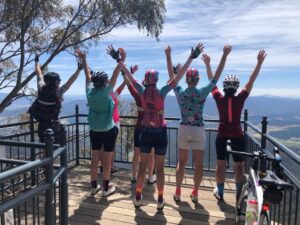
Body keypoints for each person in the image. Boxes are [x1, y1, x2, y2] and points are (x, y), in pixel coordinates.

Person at [107, 43, 202, 209]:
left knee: (142, 166)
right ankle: (159, 199)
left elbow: (128, 75)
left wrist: (118, 60)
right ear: (157, 80)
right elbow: (178, 76)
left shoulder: (141, 91)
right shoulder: (162, 91)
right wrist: (191, 58)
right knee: (159, 168)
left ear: (146, 80)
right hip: (160, 132)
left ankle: (138, 195)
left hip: (145, 131)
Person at [165, 44, 232, 203]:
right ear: (198, 80)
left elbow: (171, 77)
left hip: (183, 129)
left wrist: (168, 55)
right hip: (199, 130)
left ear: (187, 79)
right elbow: (216, 76)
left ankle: (178, 191)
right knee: (199, 164)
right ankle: (195, 192)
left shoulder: (180, 92)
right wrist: (224, 55)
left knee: (181, 163)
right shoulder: (203, 92)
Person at [212, 50, 267, 201]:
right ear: (236, 87)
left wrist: (208, 64)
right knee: (239, 166)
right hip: (237, 135)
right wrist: (259, 63)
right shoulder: (240, 98)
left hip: (222, 135)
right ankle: (238, 194)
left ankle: (220, 192)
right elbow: (251, 80)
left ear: (224, 86)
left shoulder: (218, 98)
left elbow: (212, 81)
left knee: (220, 165)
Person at [76, 49, 123, 197]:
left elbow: (87, 76)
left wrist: (84, 59)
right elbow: (116, 73)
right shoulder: (107, 92)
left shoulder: (89, 92)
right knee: (107, 161)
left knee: (94, 159)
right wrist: (119, 59)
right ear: (105, 82)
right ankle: (106, 189)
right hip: (108, 130)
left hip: (94, 129)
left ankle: (93, 187)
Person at [30, 53, 82, 145]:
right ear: (54, 83)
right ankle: (50, 159)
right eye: (58, 81)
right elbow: (70, 82)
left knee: (45, 148)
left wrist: (36, 61)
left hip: (42, 125)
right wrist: (79, 69)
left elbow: (38, 73)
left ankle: (45, 159)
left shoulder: (41, 87)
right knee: (55, 150)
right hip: (54, 126)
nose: (59, 83)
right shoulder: (58, 92)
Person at [121, 65, 156, 184]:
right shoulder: (155, 96)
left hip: (139, 126)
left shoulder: (138, 95)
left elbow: (128, 84)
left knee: (136, 153)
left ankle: (133, 176)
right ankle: (150, 177)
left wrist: (124, 73)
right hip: (150, 127)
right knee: (151, 154)